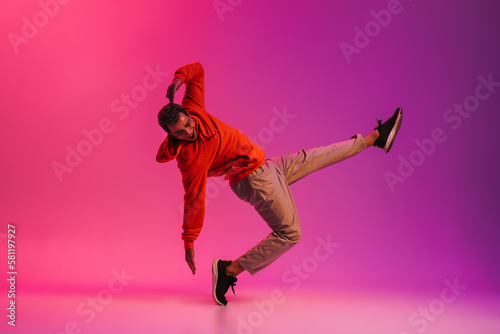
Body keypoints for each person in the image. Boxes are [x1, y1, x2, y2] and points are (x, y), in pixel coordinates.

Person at [156, 62, 403, 306]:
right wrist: (189, 241)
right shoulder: (190, 160)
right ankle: (229, 270)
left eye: (187, 124)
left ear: (188, 114)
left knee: (317, 156)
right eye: (180, 132)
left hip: (267, 166)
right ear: (171, 135)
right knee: (290, 233)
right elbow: (194, 198)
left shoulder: (194, 108)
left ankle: (375, 138)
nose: (188, 132)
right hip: (254, 180)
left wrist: (178, 79)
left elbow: (197, 70)